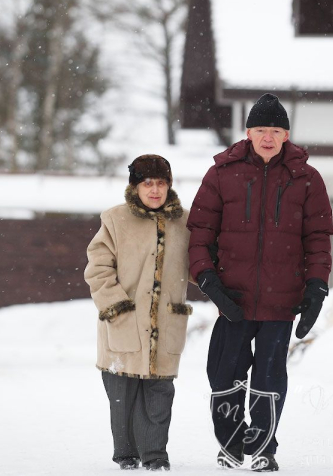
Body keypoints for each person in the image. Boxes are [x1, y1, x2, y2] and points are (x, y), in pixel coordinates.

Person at [187, 93, 333, 472]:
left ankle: (264, 448)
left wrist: (316, 287)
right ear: (248, 132)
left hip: (281, 300)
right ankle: (232, 444)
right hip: (232, 298)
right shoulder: (221, 174)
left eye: (276, 130)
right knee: (224, 373)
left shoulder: (307, 179)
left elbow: (318, 239)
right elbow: (200, 233)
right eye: (260, 129)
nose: (267, 137)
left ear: (286, 135)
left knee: (270, 377)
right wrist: (208, 280)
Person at [85, 154, 192, 472]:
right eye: (148, 183)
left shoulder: (186, 223)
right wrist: (116, 306)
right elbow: (98, 268)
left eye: (161, 183)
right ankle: (127, 453)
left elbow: (203, 263)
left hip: (166, 323)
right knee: (122, 392)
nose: (155, 190)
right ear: (135, 185)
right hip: (124, 323)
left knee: (159, 392)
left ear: (169, 186)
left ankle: (155, 454)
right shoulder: (115, 220)